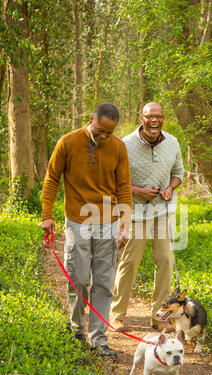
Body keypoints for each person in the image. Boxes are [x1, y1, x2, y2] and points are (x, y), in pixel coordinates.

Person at [41, 102, 132, 358]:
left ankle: (98, 339)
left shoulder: (118, 148)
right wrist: (47, 215)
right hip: (78, 221)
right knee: (79, 278)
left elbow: (124, 187)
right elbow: (51, 179)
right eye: (100, 130)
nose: (103, 136)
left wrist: (124, 225)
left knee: (103, 282)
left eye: (109, 133)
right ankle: (76, 329)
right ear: (91, 118)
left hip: (109, 221)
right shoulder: (68, 142)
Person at [110, 102, 184, 332]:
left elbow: (178, 173)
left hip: (163, 211)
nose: (155, 120)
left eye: (158, 116)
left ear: (163, 119)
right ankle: (117, 314)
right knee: (130, 262)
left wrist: (171, 188)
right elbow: (114, 180)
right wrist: (139, 191)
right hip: (136, 212)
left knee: (165, 261)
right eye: (150, 116)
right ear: (141, 118)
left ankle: (158, 317)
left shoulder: (172, 143)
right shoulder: (126, 144)